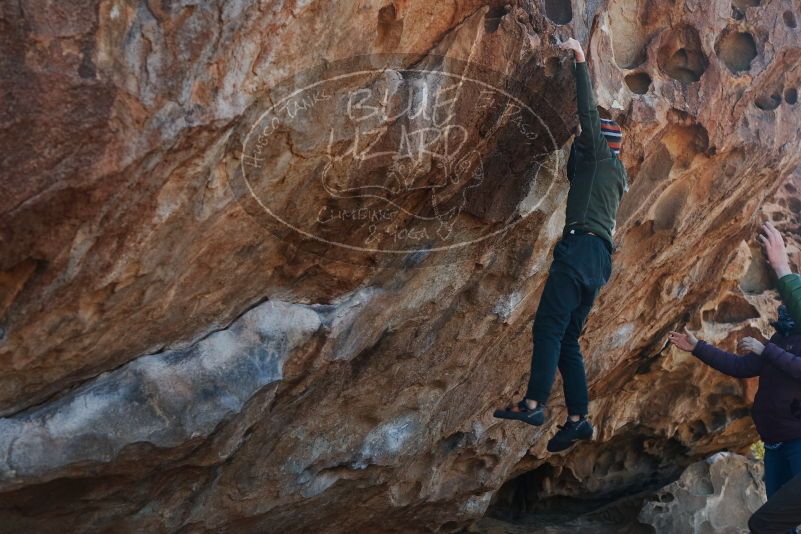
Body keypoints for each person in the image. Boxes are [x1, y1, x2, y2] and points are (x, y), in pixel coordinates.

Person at [493, 36, 629, 453]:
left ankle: (533, 403)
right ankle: (578, 419)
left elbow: (588, 114)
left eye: (584, 140)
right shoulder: (614, 175)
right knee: (568, 338)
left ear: (599, 144)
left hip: (580, 251)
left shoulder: (601, 158)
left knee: (548, 328)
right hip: (599, 259)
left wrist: (581, 59)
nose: (580, 141)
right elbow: (580, 156)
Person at [670, 221, 801, 534]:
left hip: (798, 441)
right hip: (773, 443)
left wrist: (766, 349)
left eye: (787, 305)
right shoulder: (781, 339)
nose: (781, 309)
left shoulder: (780, 344)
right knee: (776, 523)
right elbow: (742, 367)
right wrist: (698, 347)